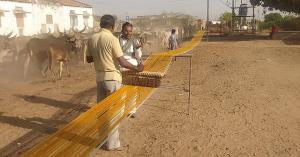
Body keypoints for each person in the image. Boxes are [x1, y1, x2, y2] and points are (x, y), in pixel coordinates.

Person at [86, 15, 144, 151]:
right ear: (113, 27)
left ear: (101, 24)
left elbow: (89, 59)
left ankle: (101, 140)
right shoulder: (112, 39)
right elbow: (122, 61)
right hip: (112, 79)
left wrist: (100, 56)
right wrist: (137, 68)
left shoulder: (92, 39)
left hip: (100, 79)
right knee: (114, 113)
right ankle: (112, 144)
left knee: (102, 112)